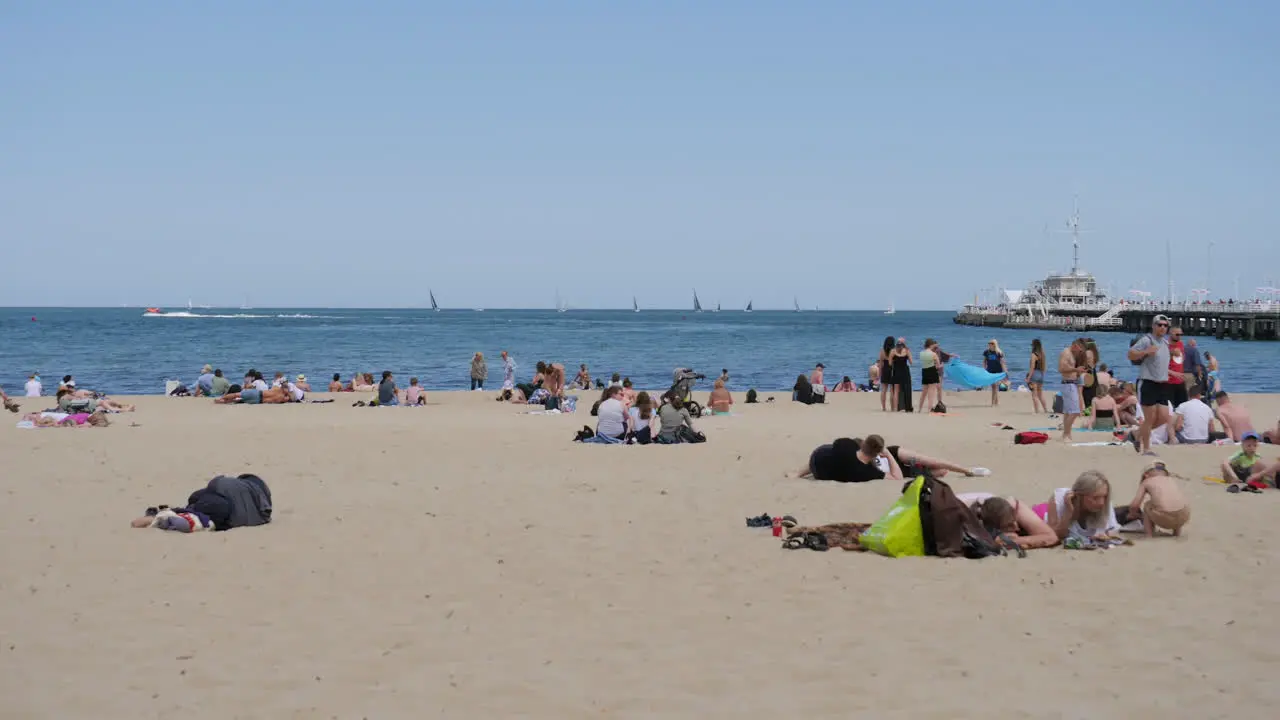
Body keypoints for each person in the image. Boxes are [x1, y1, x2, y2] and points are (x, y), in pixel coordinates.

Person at [1128, 315, 1173, 455]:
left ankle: (1137, 434)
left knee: (1165, 417)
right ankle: (1147, 448)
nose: (1163, 328)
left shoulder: (1165, 343)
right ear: (1153, 326)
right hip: (1147, 382)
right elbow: (1130, 354)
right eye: (1160, 325)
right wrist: (1145, 352)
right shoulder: (1147, 340)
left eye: (1166, 326)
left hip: (1162, 384)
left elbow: (1162, 365)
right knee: (1150, 418)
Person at [957, 494, 1060, 549]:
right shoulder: (967, 522)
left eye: (1014, 521)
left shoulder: (1015, 507)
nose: (1016, 527)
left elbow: (1051, 538)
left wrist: (1012, 541)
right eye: (1009, 525)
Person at [1043, 470, 1121, 541]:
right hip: (1042, 513)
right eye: (1095, 498)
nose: (1101, 502)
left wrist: (1106, 536)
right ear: (1080, 496)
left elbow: (1113, 531)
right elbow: (1055, 536)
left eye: (1104, 496)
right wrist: (1068, 512)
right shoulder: (1059, 498)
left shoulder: (1105, 504)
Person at [1127, 461, 1190, 537]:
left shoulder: (1147, 481)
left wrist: (1132, 514)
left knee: (1147, 505)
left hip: (1164, 517)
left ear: (1146, 475)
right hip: (1184, 516)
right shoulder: (1170, 480)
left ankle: (1149, 534)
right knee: (1176, 504)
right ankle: (1176, 534)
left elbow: (1135, 505)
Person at [1058, 338, 1086, 442]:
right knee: (1075, 411)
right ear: (1075, 345)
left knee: (1068, 412)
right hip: (1068, 384)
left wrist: (1078, 372)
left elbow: (1068, 370)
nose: (1080, 352)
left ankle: (1066, 434)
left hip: (1071, 383)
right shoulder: (1066, 353)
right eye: (1080, 349)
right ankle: (1066, 433)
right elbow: (1061, 369)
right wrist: (1075, 369)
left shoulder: (1071, 354)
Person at [1165, 326, 1189, 410]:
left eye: (1181, 334)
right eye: (1177, 334)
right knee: (1169, 409)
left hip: (1180, 381)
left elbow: (1182, 358)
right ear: (1170, 333)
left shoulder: (1180, 343)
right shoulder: (1165, 345)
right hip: (1168, 383)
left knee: (1183, 408)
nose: (1179, 336)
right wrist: (1171, 353)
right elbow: (1158, 364)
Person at [890, 338, 913, 412]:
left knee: (896, 391)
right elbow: (911, 362)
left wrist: (895, 361)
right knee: (906, 389)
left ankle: (896, 408)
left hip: (896, 371)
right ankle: (906, 407)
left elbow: (890, 363)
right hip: (905, 372)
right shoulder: (907, 351)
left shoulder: (893, 351)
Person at [918, 339, 941, 413]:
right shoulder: (933, 354)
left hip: (924, 372)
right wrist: (941, 365)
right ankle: (929, 409)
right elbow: (938, 366)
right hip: (932, 372)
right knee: (931, 392)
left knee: (924, 392)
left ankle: (919, 409)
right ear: (931, 345)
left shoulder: (921, 353)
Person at [982, 339, 1007, 407]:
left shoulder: (999, 352)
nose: (990, 344)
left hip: (998, 371)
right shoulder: (986, 352)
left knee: (994, 386)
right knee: (994, 387)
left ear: (995, 344)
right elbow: (984, 361)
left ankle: (993, 403)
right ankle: (996, 402)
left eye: (991, 343)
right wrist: (984, 369)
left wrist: (1005, 372)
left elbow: (1002, 362)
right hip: (990, 371)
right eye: (989, 343)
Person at [1026, 339, 1047, 414]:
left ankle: (1037, 411)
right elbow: (1044, 367)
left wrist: (1028, 378)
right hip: (1041, 374)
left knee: (1034, 395)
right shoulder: (1042, 354)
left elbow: (1032, 367)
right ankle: (1045, 410)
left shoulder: (1033, 355)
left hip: (1034, 374)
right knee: (1040, 394)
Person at [214, 385, 290, 404]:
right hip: (258, 400)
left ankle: (222, 399)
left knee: (237, 396)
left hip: (257, 396)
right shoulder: (281, 397)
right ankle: (223, 400)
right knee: (238, 398)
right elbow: (288, 399)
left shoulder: (277, 389)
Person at [877, 336, 894, 411]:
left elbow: (880, 364)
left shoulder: (882, 351)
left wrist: (879, 374)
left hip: (885, 370)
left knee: (883, 390)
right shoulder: (894, 351)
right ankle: (892, 407)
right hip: (892, 370)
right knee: (892, 390)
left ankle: (884, 407)